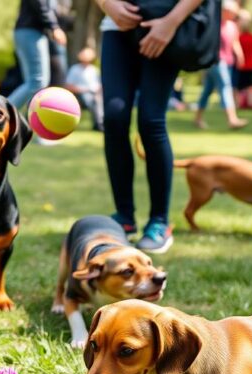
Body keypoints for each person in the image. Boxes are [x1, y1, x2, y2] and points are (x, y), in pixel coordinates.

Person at [98, 0, 204, 253]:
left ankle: (159, 221)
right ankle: (124, 217)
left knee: (150, 120)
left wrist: (171, 22)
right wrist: (106, 4)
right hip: (116, 27)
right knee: (114, 117)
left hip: (164, 24)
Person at [194, 0, 247, 130]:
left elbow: (235, 42)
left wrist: (239, 55)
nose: (235, 15)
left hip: (228, 61)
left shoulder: (232, 26)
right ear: (225, 11)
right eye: (233, 12)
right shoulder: (214, 23)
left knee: (207, 90)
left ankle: (197, 118)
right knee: (226, 86)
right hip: (215, 61)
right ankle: (232, 119)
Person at [7, 0, 67, 110]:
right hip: (30, 32)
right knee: (37, 81)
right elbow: (40, 3)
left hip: (30, 32)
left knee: (33, 82)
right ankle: (1, 111)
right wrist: (54, 27)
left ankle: (29, 120)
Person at [64, 47, 103, 131]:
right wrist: (84, 90)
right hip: (79, 95)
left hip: (94, 94)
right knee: (93, 100)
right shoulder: (75, 69)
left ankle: (99, 122)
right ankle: (99, 123)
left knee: (98, 99)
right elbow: (69, 85)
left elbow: (99, 85)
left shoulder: (94, 70)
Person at [235, 10, 252, 108]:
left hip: (242, 65)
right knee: (251, 86)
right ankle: (251, 104)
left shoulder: (238, 37)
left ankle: (237, 104)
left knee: (237, 87)